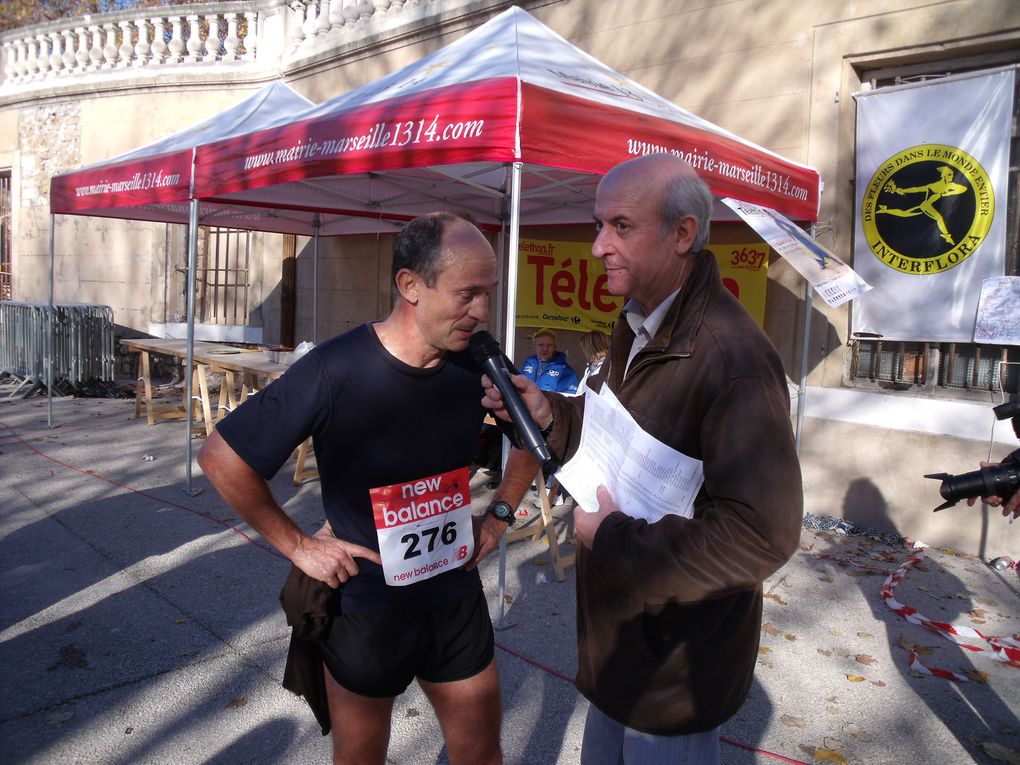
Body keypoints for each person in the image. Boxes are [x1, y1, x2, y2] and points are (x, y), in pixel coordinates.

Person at [483, 154, 803, 763]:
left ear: (682, 234)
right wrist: (550, 415)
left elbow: (763, 535)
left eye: (620, 226)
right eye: (598, 225)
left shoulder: (733, 359)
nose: (598, 245)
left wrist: (615, 541)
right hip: (619, 650)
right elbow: (615, 436)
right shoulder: (636, 322)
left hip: (676, 672)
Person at [198, 212, 516, 765]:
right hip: (366, 606)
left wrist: (501, 514)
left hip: (453, 596)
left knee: (482, 754)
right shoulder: (335, 369)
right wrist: (300, 547)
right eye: (467, 294)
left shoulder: (479, 361)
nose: (482, 311)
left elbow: (533, 435)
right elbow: (222, 457)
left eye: (487, 294)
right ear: (411, 285)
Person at [519, 327, 580, 394]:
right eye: (541, 345)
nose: (545, 349)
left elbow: (570, 398)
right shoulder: (527, 364)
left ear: (555, 347)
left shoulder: (566, 371)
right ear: (534, 347)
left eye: (549, 345)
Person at [574, 329, 611, 395]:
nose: (584, 353)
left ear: (591, 349)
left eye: (584, 349)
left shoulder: (607, 368)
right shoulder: (591, 368)